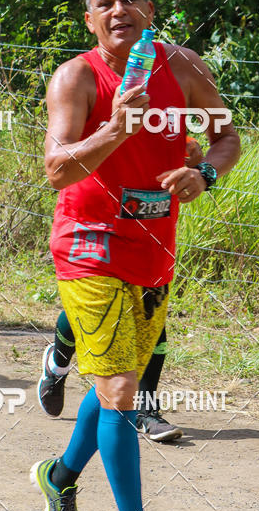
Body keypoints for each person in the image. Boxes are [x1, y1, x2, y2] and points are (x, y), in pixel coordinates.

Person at [30, 0, 241, 511]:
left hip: (155, 250)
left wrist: (205, 174)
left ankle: (60, 477)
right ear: (90, 20)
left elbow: (228, 137)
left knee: (107, 387)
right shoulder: (76, 78)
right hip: (89, 246)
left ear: (149, 8)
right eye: (105, 2)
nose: (119, 8)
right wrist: (117, 127)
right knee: (122, 387)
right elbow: (56, 169)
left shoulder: (183, 67)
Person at [37, 136, 204, 442]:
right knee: (95, 314)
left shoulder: (169, 95)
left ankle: (145, 410)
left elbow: (189, 153)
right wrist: (116, 129)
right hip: (94, 225)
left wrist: (194, 161)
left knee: (148, 312)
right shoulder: (90, 91)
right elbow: (59, 162)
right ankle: (58, 365)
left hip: (149, 226)